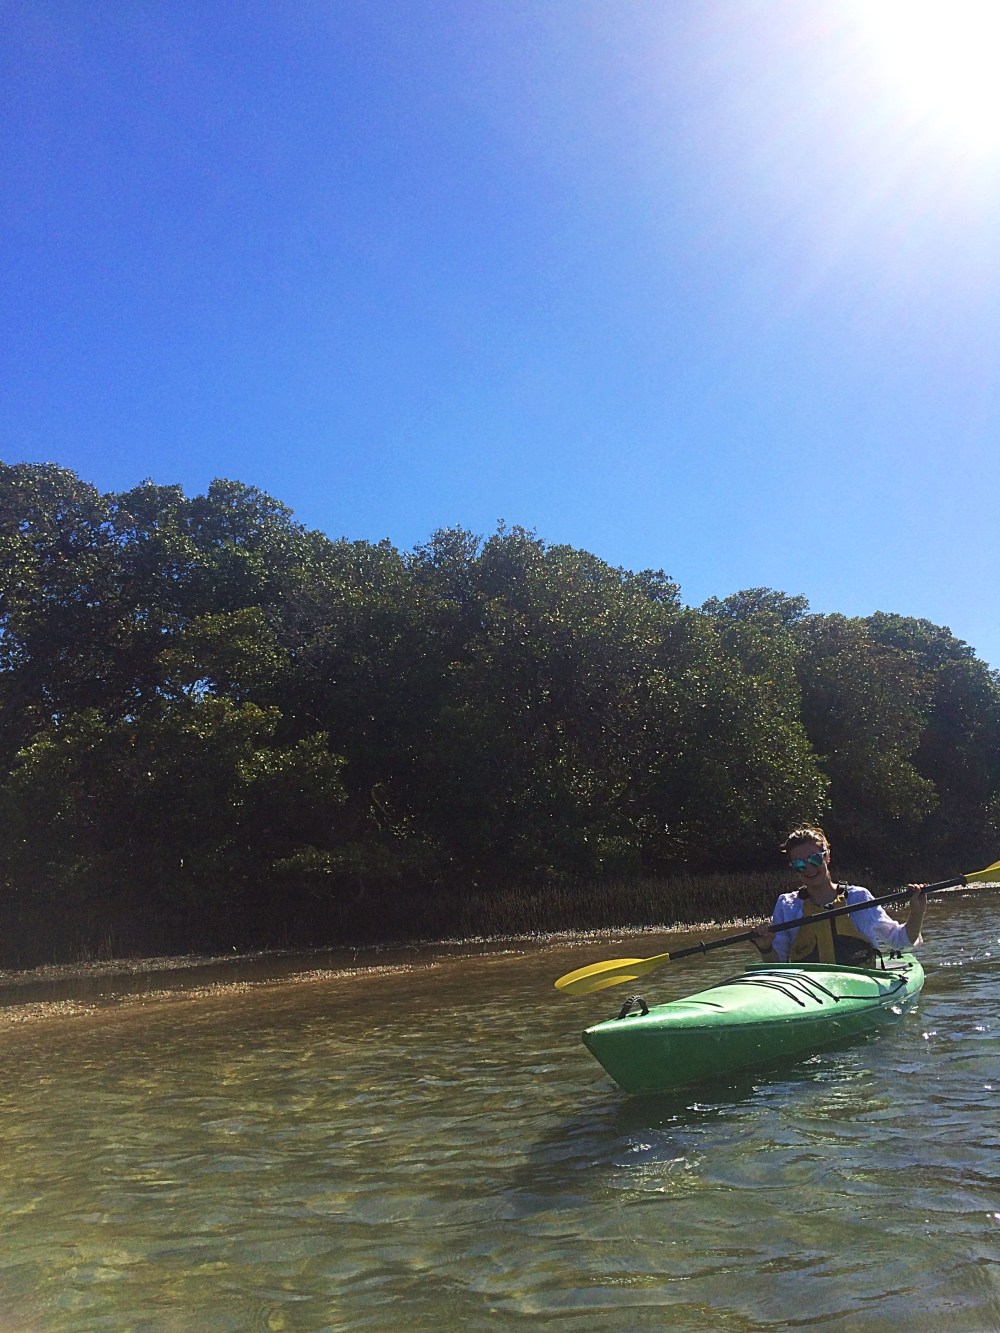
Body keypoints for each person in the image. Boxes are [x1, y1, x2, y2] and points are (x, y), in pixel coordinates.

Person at [749, 826, 926, 966]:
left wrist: (917, 913)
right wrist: (765, 948)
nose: (808, 868)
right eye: (799, 864)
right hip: (811, 989)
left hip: (860, 982)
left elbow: (900, 940)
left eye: (813, 860)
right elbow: (778, 963)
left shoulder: (858, 897)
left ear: (827, 857)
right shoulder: (786, 905)